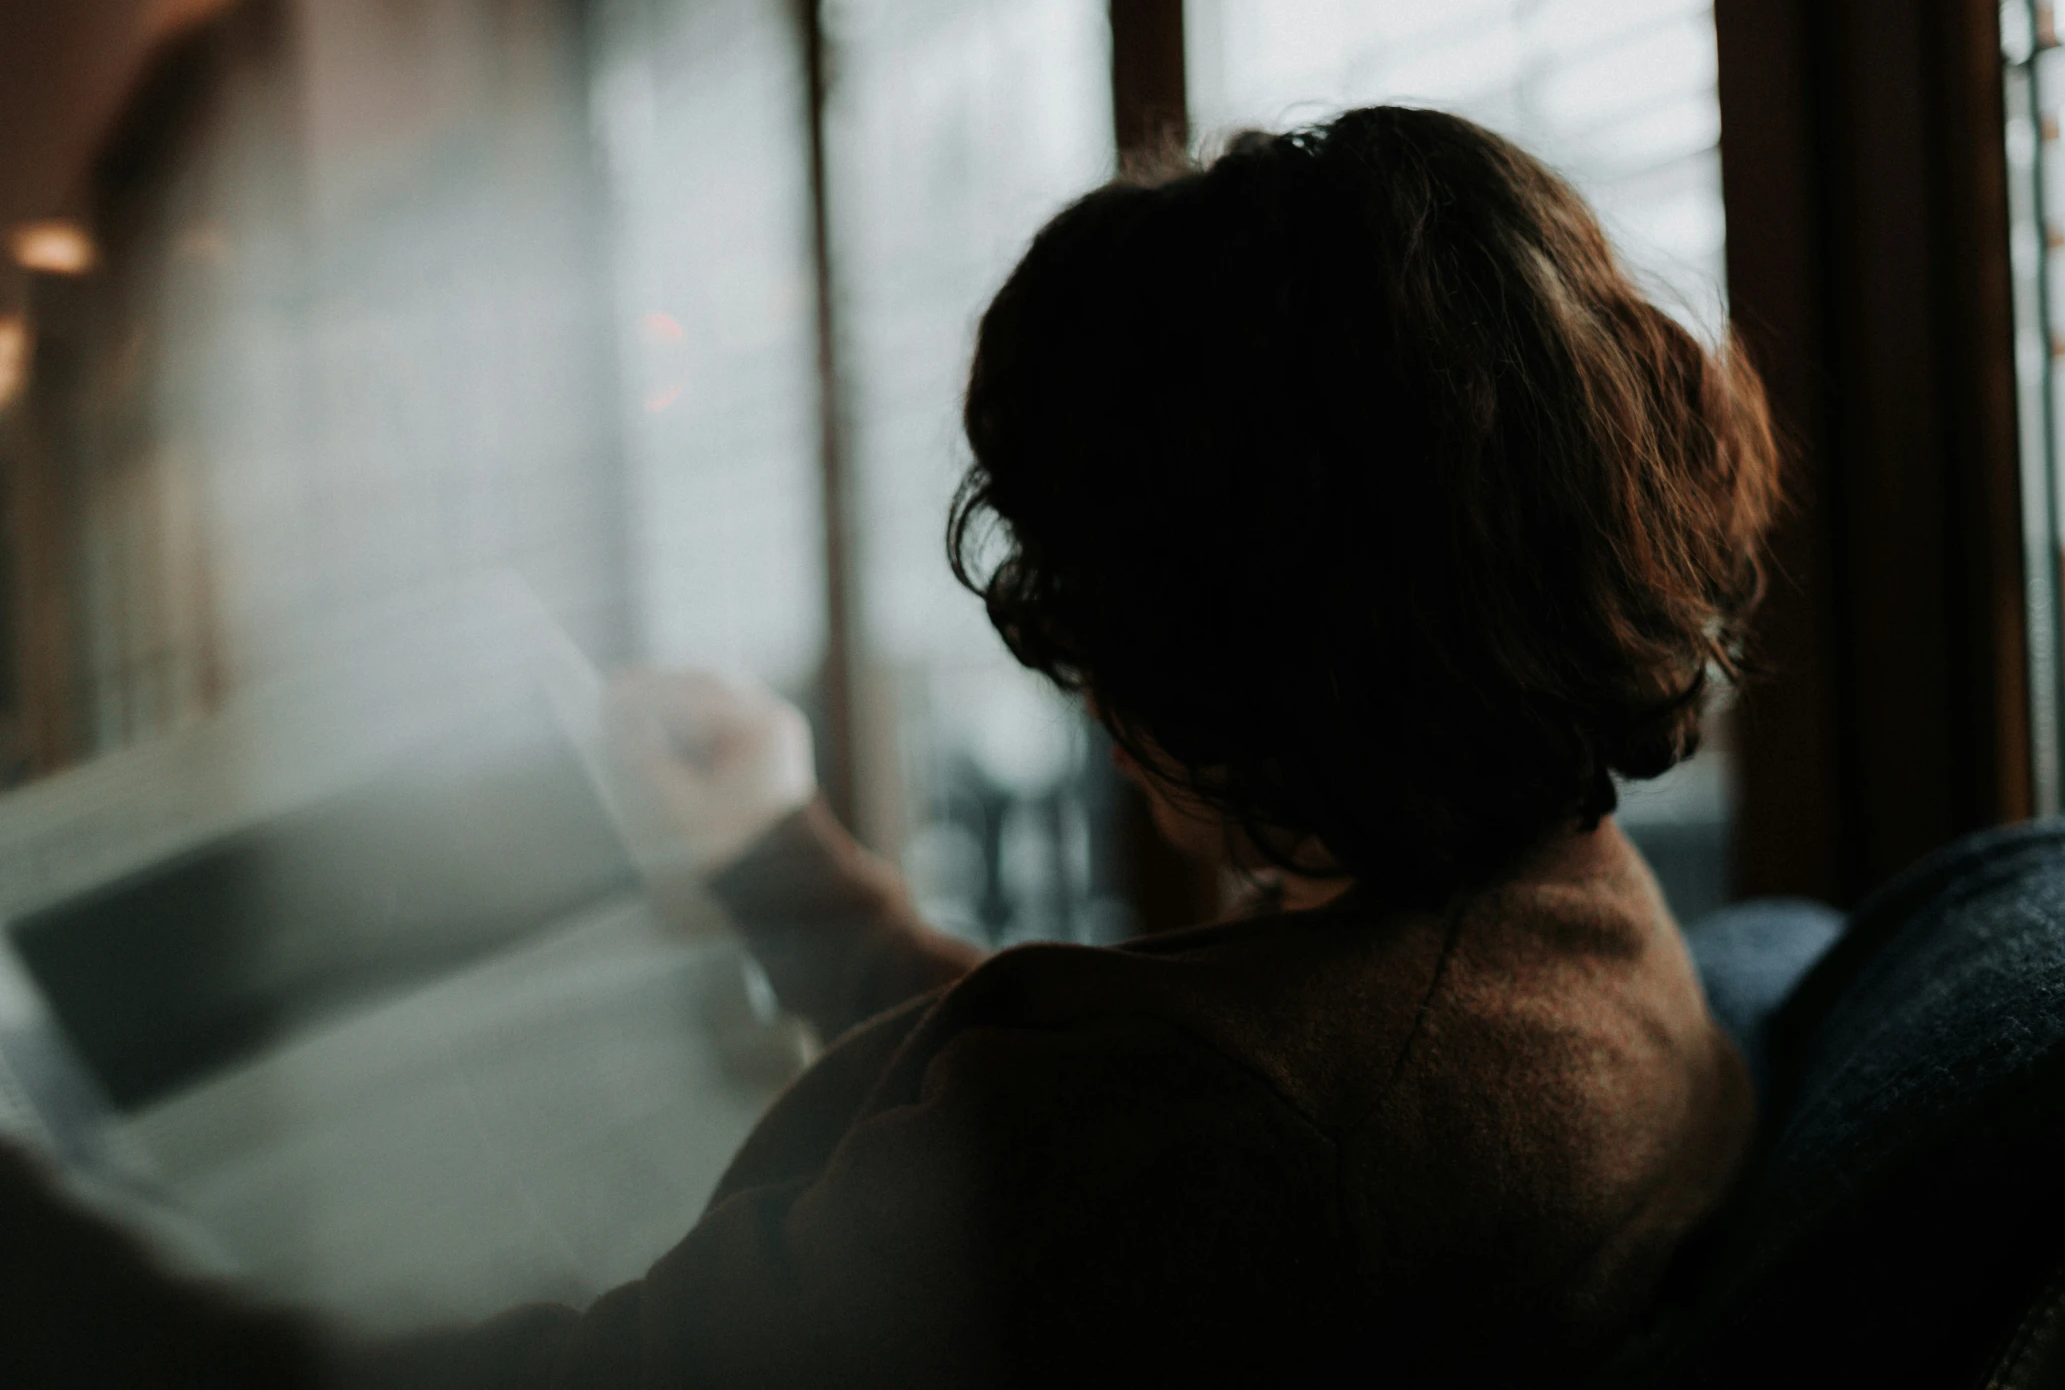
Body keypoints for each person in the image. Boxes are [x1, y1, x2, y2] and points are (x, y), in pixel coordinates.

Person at [0, 106, 1778, 1386]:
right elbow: (1138, 1119)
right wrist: (778, 855)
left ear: (1190, 631)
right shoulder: (1564, 925)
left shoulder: (1237, 1137)